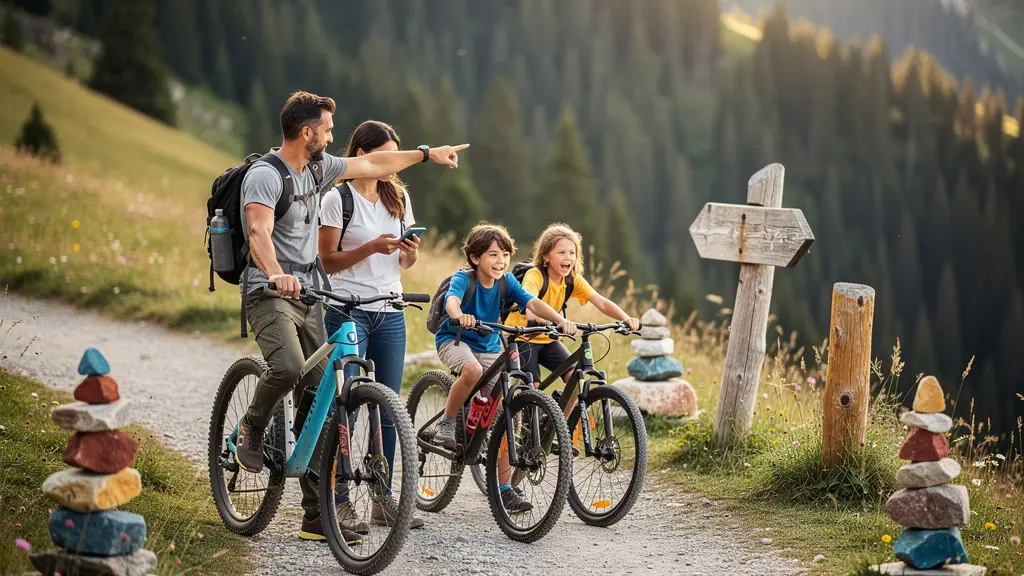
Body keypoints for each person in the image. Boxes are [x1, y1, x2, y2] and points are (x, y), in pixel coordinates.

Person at [233, 90, 467, 543]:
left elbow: (375, 166)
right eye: (328, 129)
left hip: (310, 297)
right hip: (269, 291)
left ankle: (316, 514)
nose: (333, 136)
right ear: (308, 133)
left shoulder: (319, 169)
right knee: (286, 367)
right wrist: (278, 274)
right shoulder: (264, 176)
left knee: (324, 397)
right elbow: (259, 230)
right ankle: (252, 426)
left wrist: (426, 154)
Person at [317, 119, 424, 530]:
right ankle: (339, 498)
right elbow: (327, 261)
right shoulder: (336, 199)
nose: (393, 166)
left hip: (390, 309)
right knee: (347, 406)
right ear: (361, 154)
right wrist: (369, 247)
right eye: (387, 156)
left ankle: (382, 496)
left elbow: (401, 263)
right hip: (347, 308)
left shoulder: (397, 196)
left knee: (387, 407)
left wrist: (407, 254)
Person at [432, 223, 577, 513]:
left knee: (507, 415)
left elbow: (531, 302)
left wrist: (559, 320)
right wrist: (460, 315)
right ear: (475, 258)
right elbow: (451, 301)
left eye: (505, 255)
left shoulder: (507, 281)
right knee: (472, 372)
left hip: (489, 346)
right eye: (493, 255)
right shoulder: (465, 278)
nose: (501, 261)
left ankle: (505, 488)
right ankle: (447, 422)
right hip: (456, 340)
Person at [504, 223, 640, 428]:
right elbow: (529, 304)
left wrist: (626, 318)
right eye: (561, 252)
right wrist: (554, 321)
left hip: (549, 338)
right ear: (546, 256)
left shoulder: (572, 280)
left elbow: (601, 302)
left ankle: (556, 427)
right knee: (533, 386)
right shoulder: (535, 275)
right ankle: (521, 432)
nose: (568, 257)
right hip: (524, 337)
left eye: (572, 252)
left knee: (575, 380)